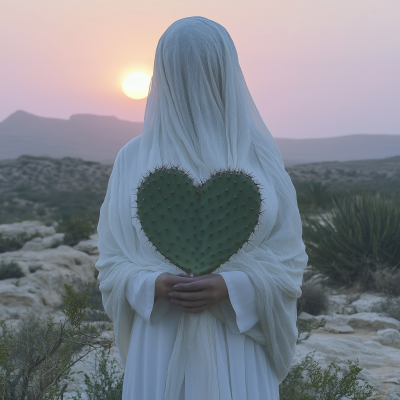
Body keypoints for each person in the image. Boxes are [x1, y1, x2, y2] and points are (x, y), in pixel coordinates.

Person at [96, 16, 308, 400]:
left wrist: (234, 286)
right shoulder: (132, 159)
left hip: (237, 340)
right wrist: (151, 285)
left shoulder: (259, 157)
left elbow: (289, 258)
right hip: (159, 338)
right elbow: (112, 261)